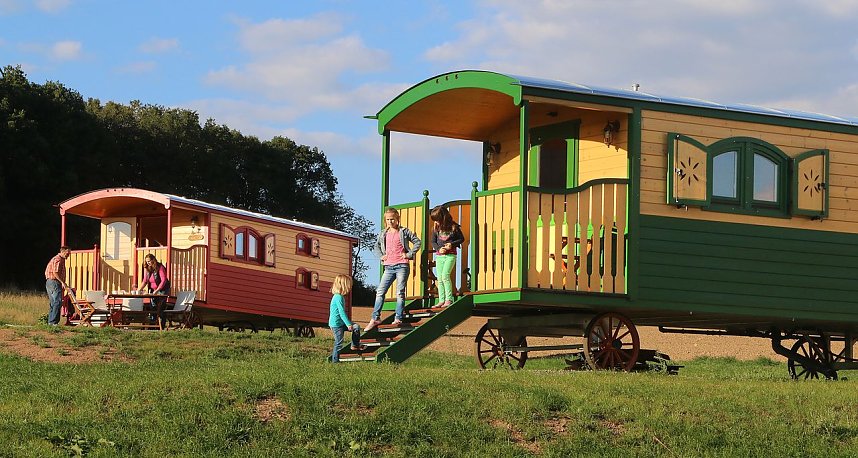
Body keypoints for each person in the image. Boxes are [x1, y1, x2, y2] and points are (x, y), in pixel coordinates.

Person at [365, 207, 421, 331]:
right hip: (389, 267)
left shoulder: (404, 231)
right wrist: (381, 256)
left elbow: (417, 242)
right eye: (388, 220)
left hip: (402, 265)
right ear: (385, 221)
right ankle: (375, 318)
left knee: (399, 292)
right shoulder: (383, 233)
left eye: (392, 219)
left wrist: (409, 254)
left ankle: (398, 317)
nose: (390, 222)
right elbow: (376, 246)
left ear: (397, 219)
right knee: (380, 291)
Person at [430, 206, 465, 308]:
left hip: (450, 255)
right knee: (440, 278)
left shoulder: (454, 227)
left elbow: (461, 239)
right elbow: (433, 241)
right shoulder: (436, 228)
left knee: (445, 275)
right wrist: (438, 249)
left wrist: (451, 244)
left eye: (437, 220)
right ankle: (441, 300)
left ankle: (448, 299)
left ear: (443, 218)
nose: (436, 222)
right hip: (439, 256)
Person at [328, 274, 364, 362]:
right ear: (343, 286)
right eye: (349, 286)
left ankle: (355, 345)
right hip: (336, 324)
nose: (350, 288)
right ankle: (335, 361)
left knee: (356, 327)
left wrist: (348, 323)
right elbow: (341, 312)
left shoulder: (340, 297)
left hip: (341, 323)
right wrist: (348, 324)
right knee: (339, 342)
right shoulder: (338, 297)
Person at [136, 253, 171, 327]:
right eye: (146, 261)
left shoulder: (160, 267)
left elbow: (163, 280)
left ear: (153, 260)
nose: (148, 263)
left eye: (149, 261)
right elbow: (145, 281)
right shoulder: (147, 269)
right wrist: (139, 290)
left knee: (161, 306)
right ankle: (153, 324)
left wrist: (157, 290)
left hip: (162, 289)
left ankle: (161, 325)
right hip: (153, 290)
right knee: (153, 306)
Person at [44, 246, 71, 325]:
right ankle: (54, 322)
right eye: (67, 253)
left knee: (53, 302)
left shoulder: (59, 259)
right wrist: (62, 282)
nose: (68, 255)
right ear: (62, 252)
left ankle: (51, 322)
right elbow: (55, 272)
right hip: (54, 282)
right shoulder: (58, 259)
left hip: (50, 282)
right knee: (57, 302)